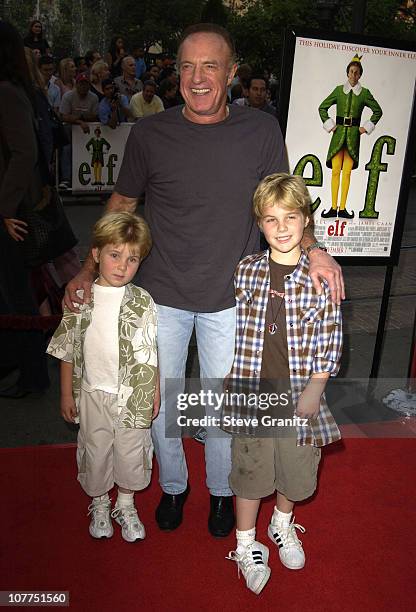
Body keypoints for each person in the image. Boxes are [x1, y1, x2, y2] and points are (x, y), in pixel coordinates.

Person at [64, 23, 344, 539]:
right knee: (161, 405)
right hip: (161, 297)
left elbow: (285, 205)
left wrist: (317, 251)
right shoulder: (149, 134)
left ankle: (220, 491)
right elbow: (122, 206)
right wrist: (86, 269)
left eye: (210, 66)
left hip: (231, 299)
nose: (197, 77)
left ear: (232, 73)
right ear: (177, 73)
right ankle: (174, 486)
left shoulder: (261, 130)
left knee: (221, 407)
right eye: (187, 66)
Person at [223, 173, 342, 594]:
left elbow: (331, 333)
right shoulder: (246, 271)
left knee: (295, 471)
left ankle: (282, 522)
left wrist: (317, 384)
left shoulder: (319, 276)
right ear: (259, 223)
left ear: (305, 219)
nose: (283, 227)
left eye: (291, 216)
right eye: (271, 219)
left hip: (298, 398)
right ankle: (245, 543)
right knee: (250, 469)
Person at [47, 212, 159, 541]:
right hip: (93, 392)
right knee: (95, 450)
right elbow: (67, 348)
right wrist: (67, 394)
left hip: (133, 392)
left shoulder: (143, 302)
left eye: (132, 258)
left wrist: (153, 391)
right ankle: (99, 502)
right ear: (96, 254)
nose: (123, 265)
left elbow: (150, 349)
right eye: (114, 255)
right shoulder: (81, 297)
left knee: (130, 450)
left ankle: (125, 503)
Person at [0, 21, 50, 398]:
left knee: (16, 294)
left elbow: (25, 154)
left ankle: (33, 374)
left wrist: (3, 208)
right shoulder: (14, 90)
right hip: (10, 209)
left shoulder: (7, 91)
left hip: (10, 215)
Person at [318, 55, 383, 219]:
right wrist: (331, 125)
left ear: (360, 75)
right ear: (347, 73)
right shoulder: (339, 91)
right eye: (351, 72)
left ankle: (343, 208)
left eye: (357, 72)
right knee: (335, 172)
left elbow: (378, 111)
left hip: (353, 137)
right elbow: (322, 108)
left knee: (346, 173)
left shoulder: (364, 93)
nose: (353, 75)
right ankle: (333, 207)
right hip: (338, 135)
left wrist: (365, 128)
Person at [59, 72, 99, 189]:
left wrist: (78, 117)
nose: (83, 87)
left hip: (88, 131)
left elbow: (95, 116)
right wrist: (80, 121)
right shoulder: (68, 96)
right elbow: (63, 116)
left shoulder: (94, 97)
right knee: (67, 149)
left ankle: (92, 178)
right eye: (81, 84)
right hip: (70, 130)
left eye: (86, 84)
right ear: (76, 84)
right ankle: (66, 179)